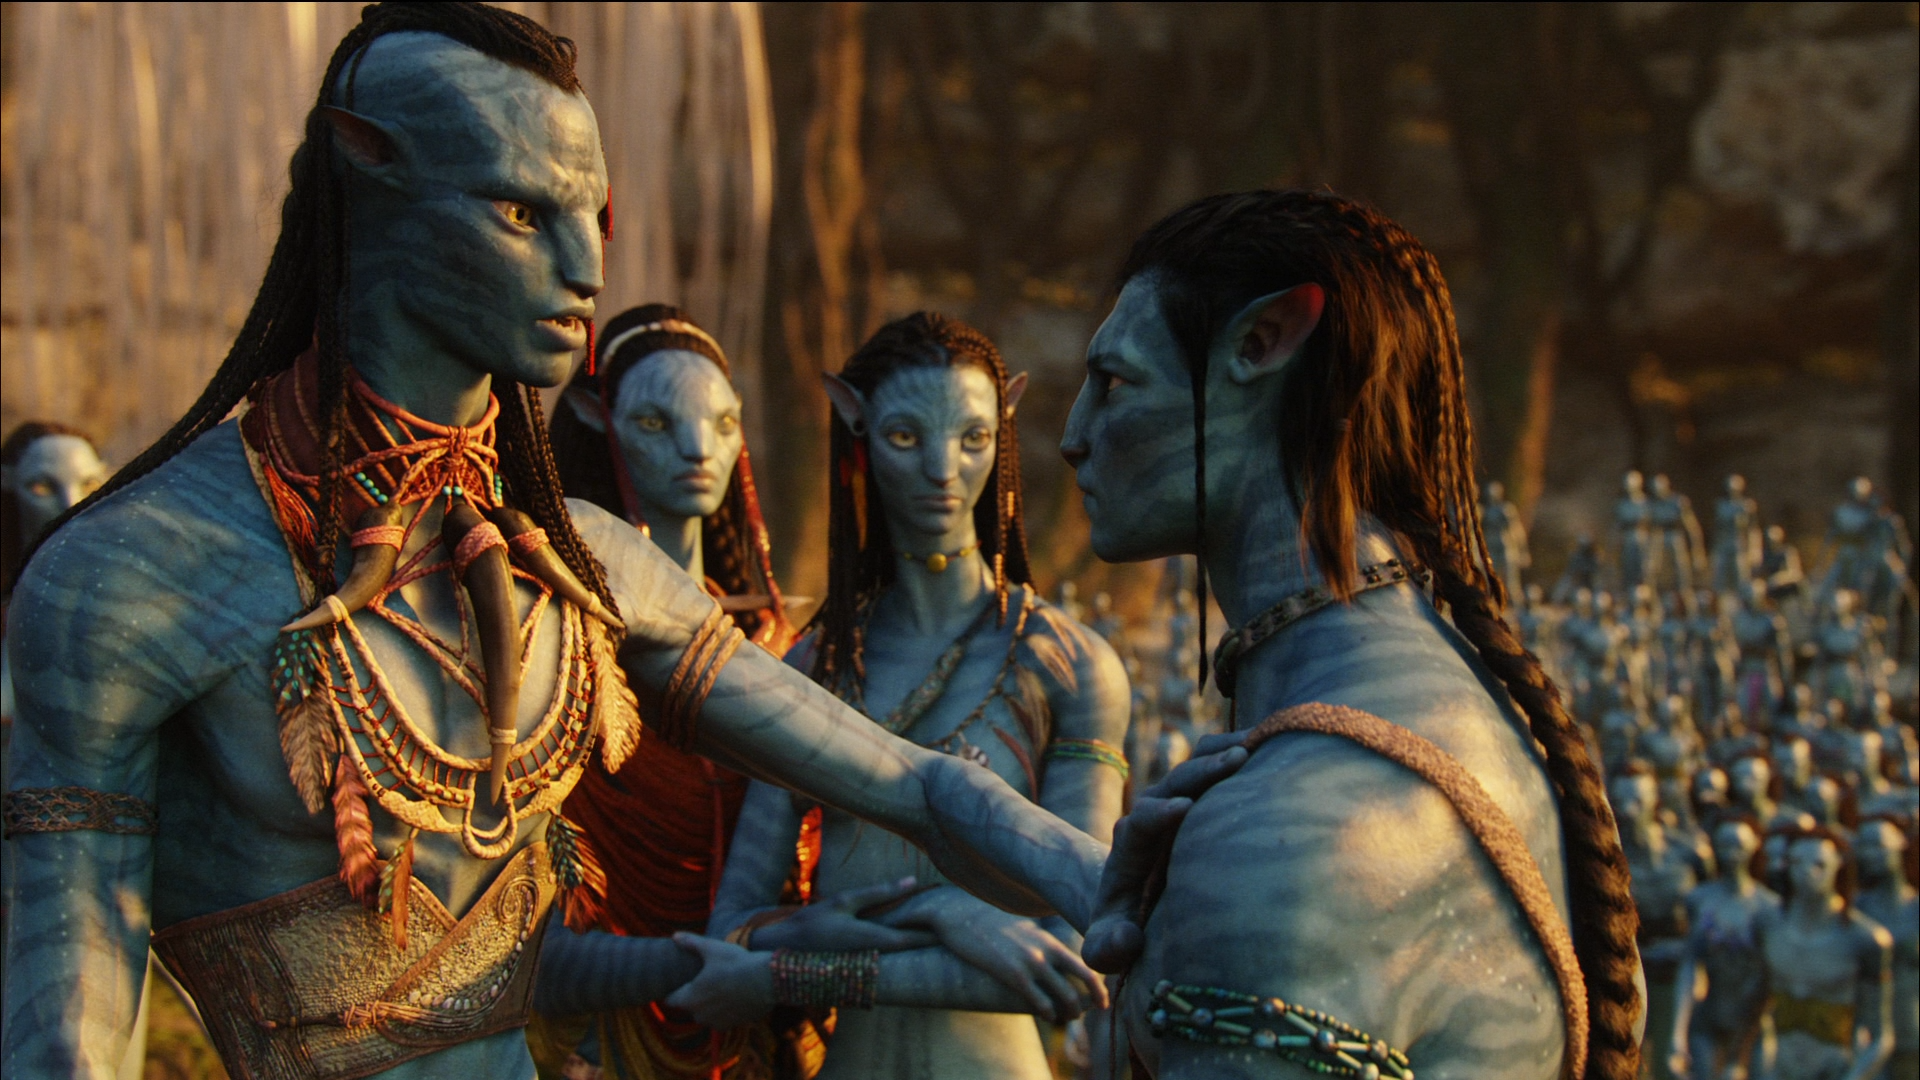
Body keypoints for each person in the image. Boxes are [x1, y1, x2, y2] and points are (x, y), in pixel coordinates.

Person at [3, 11, 1207, 1077]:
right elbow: (66, 1031)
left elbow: (917, 786)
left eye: (597, 218)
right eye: (522, 212)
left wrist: (1140, 887)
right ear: (369, 170)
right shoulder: (130, 578)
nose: (585, 270)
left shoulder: (587, 571)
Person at [1058, 191, 1639, 1078]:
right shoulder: (1458, 714)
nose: (1074, 435)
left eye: (1113, 384)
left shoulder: (1286, 840)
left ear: (1262, 343)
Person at [693, 313, 1130, 1080]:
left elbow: (1072, 959)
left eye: (973, 438)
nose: (942, 469)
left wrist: (790, 972)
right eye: (905, 437)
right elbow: (730, 932)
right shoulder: (813, 669)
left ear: (1004, 428)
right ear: (855, 426)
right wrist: (943, 912)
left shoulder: (1067, 666)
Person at [527, 305, 815, 1078]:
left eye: (723, 424)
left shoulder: (780, 644)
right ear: (599, 419)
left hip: (763, 1035)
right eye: (658, 423)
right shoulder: (566, 641)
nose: (698, 449)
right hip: (605, 1025)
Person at [1753, 826, 1894, 1080]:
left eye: (1819, 865)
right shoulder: (1768, 926)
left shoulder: (1864, 939)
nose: (1808, 873)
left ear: (1838, 866)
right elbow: (1754, 1007)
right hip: (1780, 1066)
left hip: (1836, 1068)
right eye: (1797, 863)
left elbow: (1881, 1037)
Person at [1669, 815, 1780, 1080]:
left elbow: (1771, 980)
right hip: (1709, 1017)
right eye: (1725, 845)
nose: (1732, 854)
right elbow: (1689, 966)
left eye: (1739, 845)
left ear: (1754, 846)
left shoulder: (1769, 908)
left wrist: (1739, 1056)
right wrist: (1677, 1033)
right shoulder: (1699, 899)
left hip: (1753, 1025)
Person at [1853, 816, 1918, 1080]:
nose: (1870, 854)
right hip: (1866, 1039)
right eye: (1864, 846)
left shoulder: (1916, 910)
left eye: (1878, 845)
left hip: (1912, 1037)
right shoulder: (1856, 910)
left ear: (1901, 844)